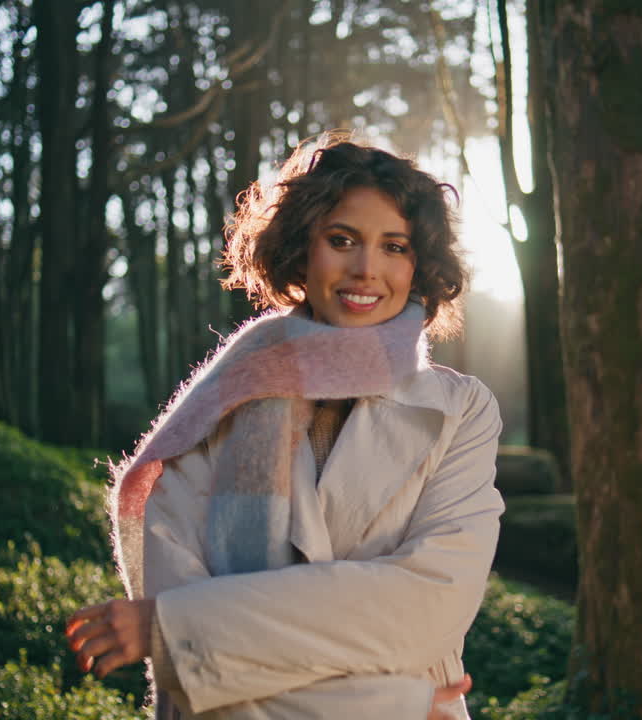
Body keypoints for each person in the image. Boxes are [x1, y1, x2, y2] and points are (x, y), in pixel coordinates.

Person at [65, 134, 504, 719]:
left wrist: (186, 633)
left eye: (394, 246)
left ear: (419, 265)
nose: (366, 269)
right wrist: (393, 703)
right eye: (342, 240)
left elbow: (429, 606)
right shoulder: (219, 405)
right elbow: (193, 652)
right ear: (303, 250)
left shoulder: (462, 411)